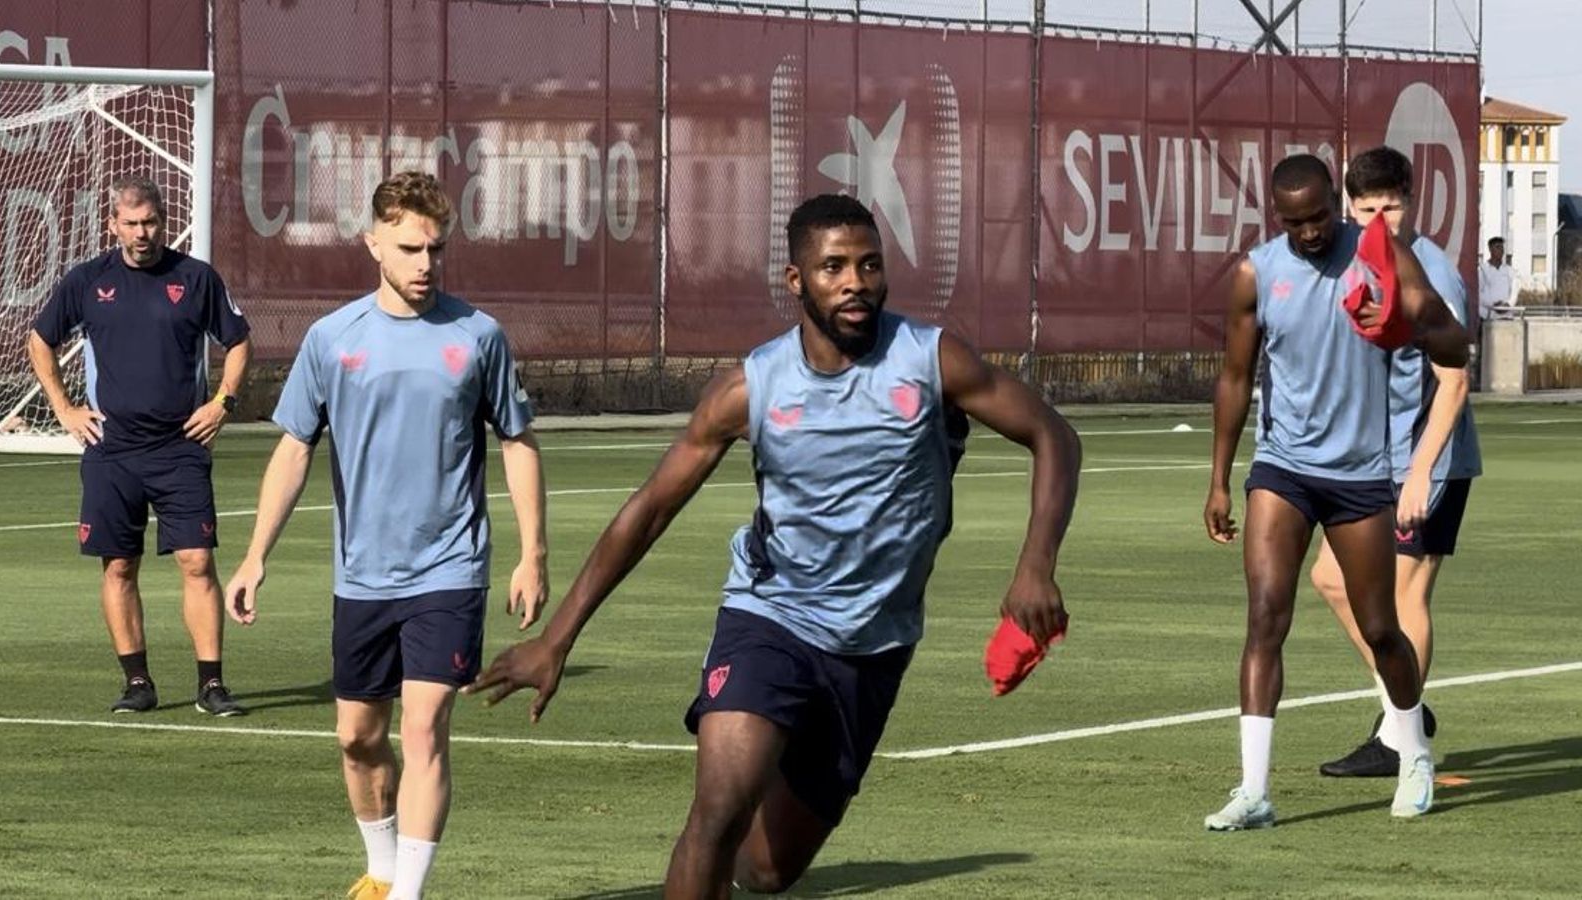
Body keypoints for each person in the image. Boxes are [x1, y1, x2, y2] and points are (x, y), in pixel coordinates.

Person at [467, 194, 1081, 898]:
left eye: (869, 265)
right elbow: (651, 507)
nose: (854, 282)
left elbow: (1054, 436)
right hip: (770, 617)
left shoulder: (931, 360)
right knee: (718, 811)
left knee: (766, 868)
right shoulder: (752, 387)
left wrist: (1036, 565)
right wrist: (558, 638)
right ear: (797, 280)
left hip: (874, 645)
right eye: (833, 267)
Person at [222, 171, 549, 900]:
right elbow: (294, 449)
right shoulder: (331, 339)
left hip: (450, 568)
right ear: (372, 244)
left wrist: (533, 553)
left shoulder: (478, 335)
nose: (425, 264)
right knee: (357, 738)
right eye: (408, 249)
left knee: (425, 727)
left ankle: (408, 895)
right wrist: (253, 557)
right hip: (362, 575)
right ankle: (381, 871)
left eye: (435, 249)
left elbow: (517, 441)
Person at [1203, 154, 1471, 830]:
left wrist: (1402, 320)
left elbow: (1454, 345)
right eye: (1295, 222)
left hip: (1360, 476)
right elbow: (1234, 377)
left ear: (1334, 202)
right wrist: (1218, 480)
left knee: (1381, 627)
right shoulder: (1256, 272)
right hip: (1282, 468)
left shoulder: (1382, 257)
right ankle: (1254, 790)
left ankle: (1413, 753)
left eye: (1319, 217)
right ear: (1278, 217)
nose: (1310, 232)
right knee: (1266, 617)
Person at [27, 175, 253, 718]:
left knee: (197, 561)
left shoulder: (195, 278)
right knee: (119, 567)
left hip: (180, 447)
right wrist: (64, 408)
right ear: (113, 225)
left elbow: (238, 341)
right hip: (112, 451)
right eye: (130, 223)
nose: (141, 233)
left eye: (150, 221)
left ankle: (211, 685)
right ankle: (137, 683)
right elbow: (40, 340)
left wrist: (222, 403)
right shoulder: (87, 281)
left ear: (164, 221)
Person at [1310, 146, 1482, 778]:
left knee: (1406, 592)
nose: (1380, 221)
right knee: (1331, 578)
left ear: (1411, 202)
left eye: (1392, 207)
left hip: (1431, 462)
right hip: (1373, 460)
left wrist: (1420, 472)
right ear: (1348, 208)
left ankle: (1399, 741)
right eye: (1367, 209)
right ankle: (1407, 706)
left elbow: (1454, 382)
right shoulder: (1352, 263)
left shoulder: (1434, 275)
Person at [1476, 237, 1522, 320]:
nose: (1501, 250)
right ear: (1490, 249)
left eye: (1502, 247)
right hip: (1487, 317)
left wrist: (1508, 305)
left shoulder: (1510, 271)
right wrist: (1493, 305)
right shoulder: (1482, 270)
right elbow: (1478, 293)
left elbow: (1515, 292)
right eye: (1497, 247)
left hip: (1506, 317)